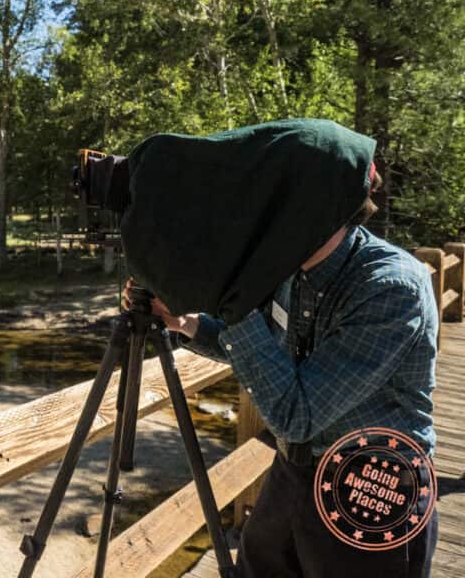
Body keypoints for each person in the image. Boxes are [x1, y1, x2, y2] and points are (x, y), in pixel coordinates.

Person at [134, 182, 440, 577]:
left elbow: (297, 414)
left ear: (315, 216)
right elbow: (262, 352)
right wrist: (185, 323)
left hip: (372, 483)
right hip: (295, 470)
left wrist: (234, 301)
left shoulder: (389, 286)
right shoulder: (293, 271)